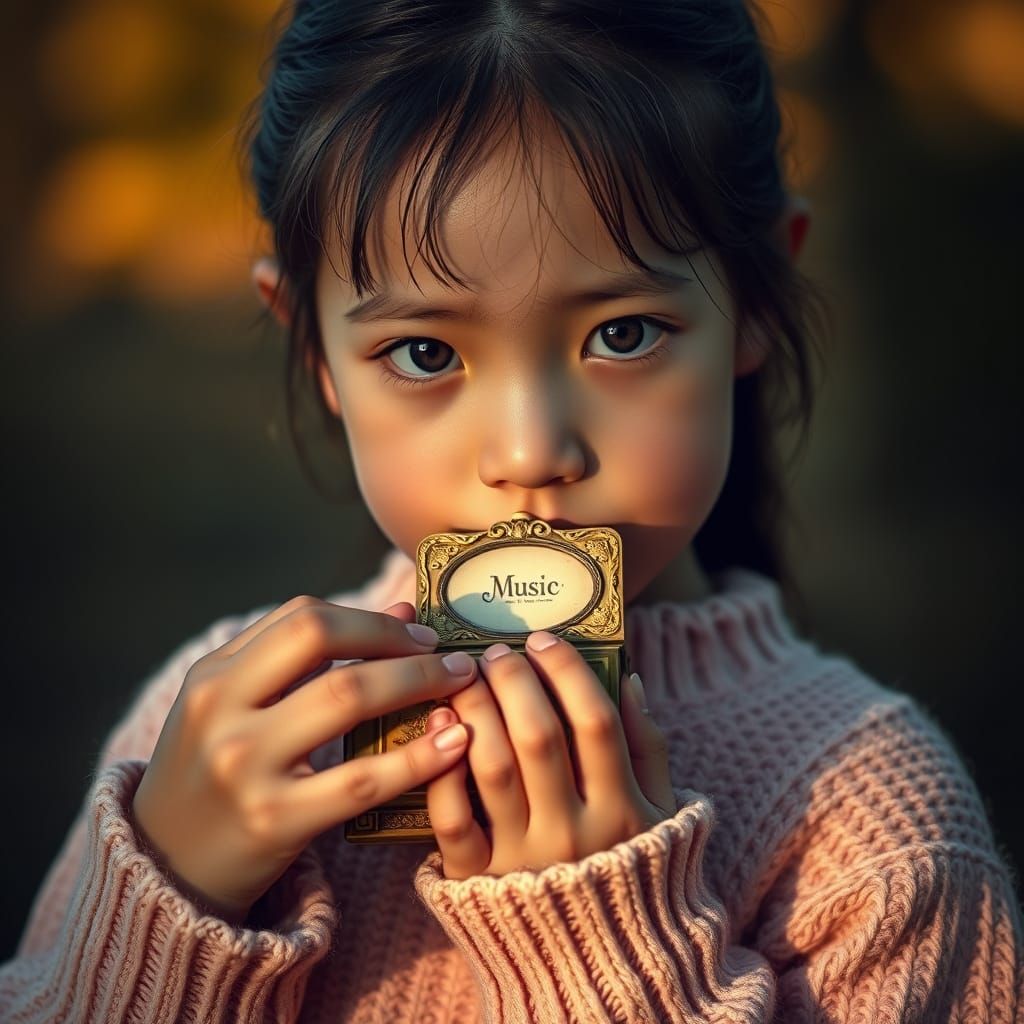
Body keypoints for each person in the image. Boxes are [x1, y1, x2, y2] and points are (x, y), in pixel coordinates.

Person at [4, 0, 1022, 1020]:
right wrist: (157, 922)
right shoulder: (212, 744)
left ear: (755, 300)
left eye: (624, 334)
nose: (532, 451)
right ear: (313, 350)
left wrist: (597, 949)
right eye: (426, 353)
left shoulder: (872, 832)